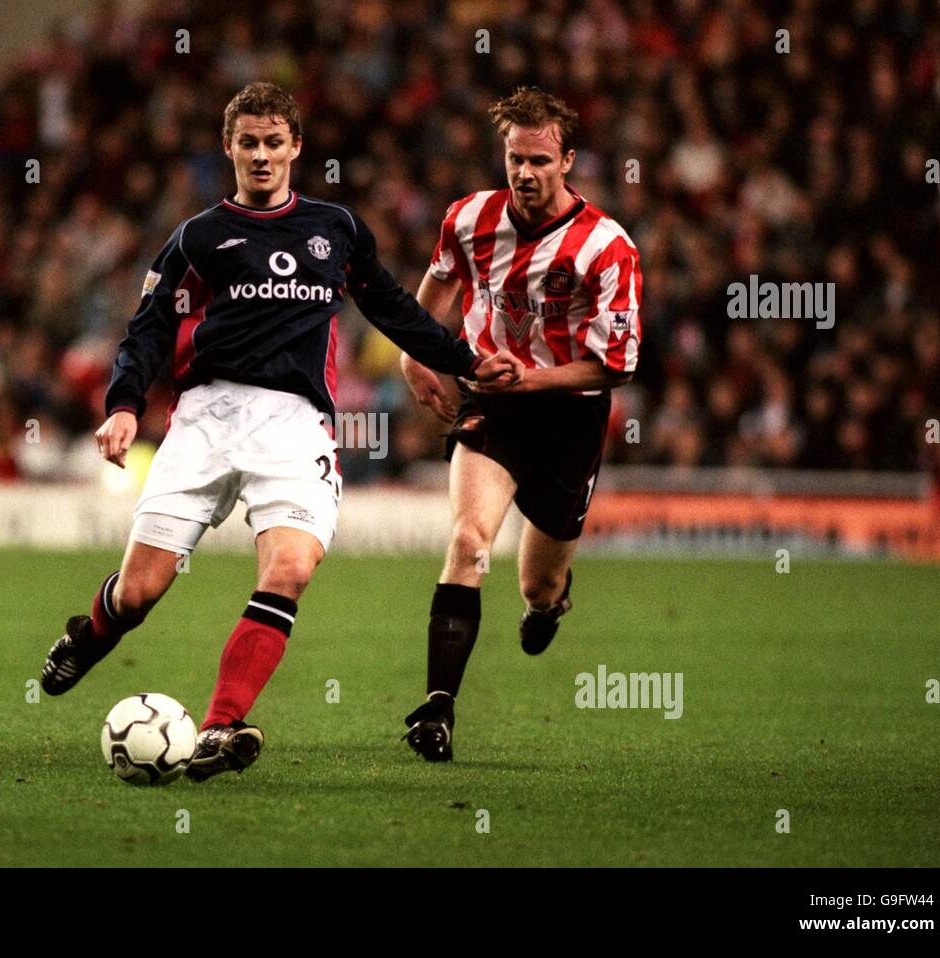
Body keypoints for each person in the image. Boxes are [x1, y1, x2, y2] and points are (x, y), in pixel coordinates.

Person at [39, 82, 519, 781]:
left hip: (295, 427)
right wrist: (122, 403)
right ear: (228, 146)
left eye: (273, 142)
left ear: (296, 146)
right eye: (248, 143)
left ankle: (220, 725)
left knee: (290, 568)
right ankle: (93, 633)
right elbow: (150, 327)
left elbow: (392, 309)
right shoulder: (198, 239)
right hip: (205, 419)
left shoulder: (337, 230)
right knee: (140, 592)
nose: (261, 155)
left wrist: (466, 361)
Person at [400, 87, 642, 761]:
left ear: (567, 160)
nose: (525, 173)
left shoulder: (607, 247)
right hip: (494, 404)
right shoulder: (470, 219)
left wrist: (529, 376)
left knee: (537, 582)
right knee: (469, 541)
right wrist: (414, 353)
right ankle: (438, 709)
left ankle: (548, 604)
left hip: (569, 417)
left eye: (539, 160)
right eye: (515, 158)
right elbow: (439, 288)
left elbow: (616, 363)